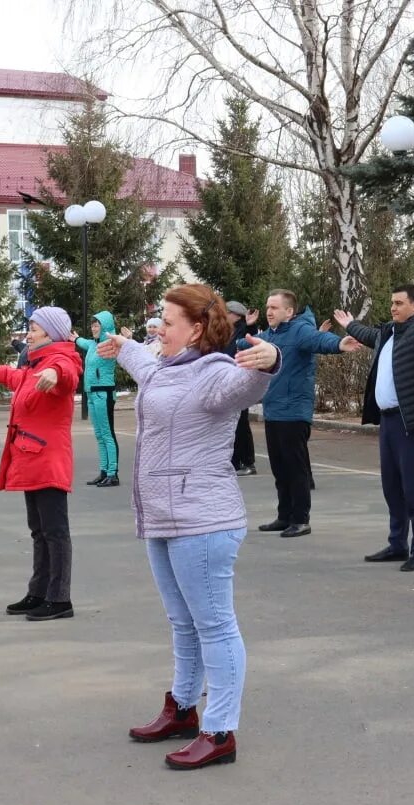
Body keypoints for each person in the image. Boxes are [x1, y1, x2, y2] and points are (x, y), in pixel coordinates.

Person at [99, 283, 281, 770]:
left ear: (197, 329)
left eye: (168, 320)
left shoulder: (213, 372)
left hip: (202, 520)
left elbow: (247, 386)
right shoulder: (164, 368)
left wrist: (271, 359)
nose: (160, 326)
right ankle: (182, 707)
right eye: (160, 318)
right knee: (183, 622)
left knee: (215, 626)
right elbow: (143, 363)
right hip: (162, 516)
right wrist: (123, 346)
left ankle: (219, 730)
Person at [333, 286, 414, 572]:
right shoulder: (388, 331)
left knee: (413, 488)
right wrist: (350, 325)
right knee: (391, 486)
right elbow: (369, 335)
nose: (393, 307)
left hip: (410, 420)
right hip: (388, 420)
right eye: (391, 302)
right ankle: (397, 544)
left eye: (399, 303)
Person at [0, 307, 84, 622]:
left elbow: (67, 374)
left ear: (51, 333)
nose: (29, 332)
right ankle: (39, 592)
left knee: (55, 532)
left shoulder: (58, 360)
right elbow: (21, 378)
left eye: (34, 327)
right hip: (33, 457)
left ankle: (60, 598)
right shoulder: (36, 362)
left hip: (48, 460)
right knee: (39, 531)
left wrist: (56, 374)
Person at [244, 290, 361, 537]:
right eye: (268, 306)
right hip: (274, 411)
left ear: (289, 311)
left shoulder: (300, 331)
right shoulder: (269, 336)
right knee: (279, 468)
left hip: (294, 412)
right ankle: (284, 516)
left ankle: (301, 519)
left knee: (295, 468)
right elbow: (243, 345)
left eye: (274, 307)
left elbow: (320, 341)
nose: (269, 311)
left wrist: (339, 343)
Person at [74, 311, 120, 487]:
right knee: (99, 435)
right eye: (92, 325)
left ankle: (112, 473)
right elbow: (83, 342)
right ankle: (103, 471)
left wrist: (125, 337)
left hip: (104, 393)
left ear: (105, 327)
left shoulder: (110, 344)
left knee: (107, 434)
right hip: (92, 393)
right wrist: (75, 339)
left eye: (97, 325)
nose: (93, 328)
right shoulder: (93, 345)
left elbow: (124, 346)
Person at [225, 301, 258, 477]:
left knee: (241, 424)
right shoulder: (227, 331)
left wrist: (251, 326)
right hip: (228, 380)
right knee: (232, 424)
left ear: (236, 315)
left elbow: (251, 339)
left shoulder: (244, 328)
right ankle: (234, 462)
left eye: (227, 313)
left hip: (240, 380)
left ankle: (248, 462)